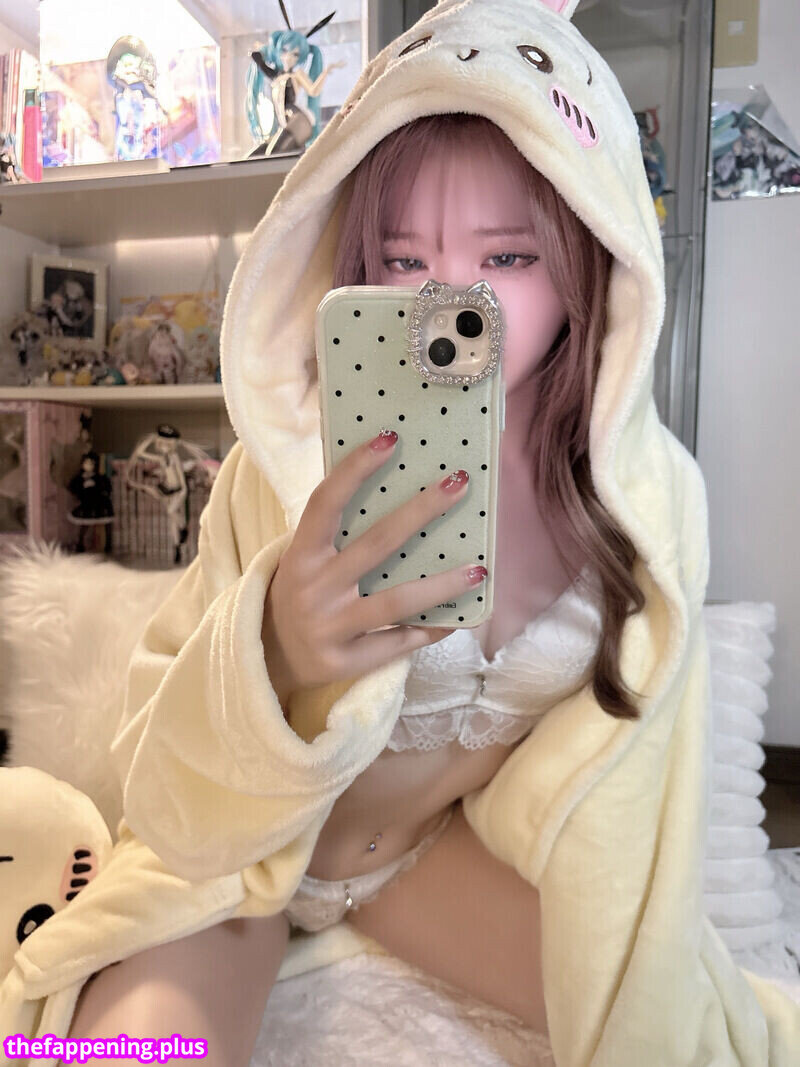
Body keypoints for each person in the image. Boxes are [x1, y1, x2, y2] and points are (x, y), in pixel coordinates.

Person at [6, 2, 797, 1065]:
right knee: (136, 1050)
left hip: (426, 868)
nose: (450, 301)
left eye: (507, 255)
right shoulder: (280, 474)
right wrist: (275, 647)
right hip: (251, 860)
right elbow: (163, 765)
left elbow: (637, 801)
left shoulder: (647, 508)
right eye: (403, 259)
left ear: (589, 254)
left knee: (685, 1036)